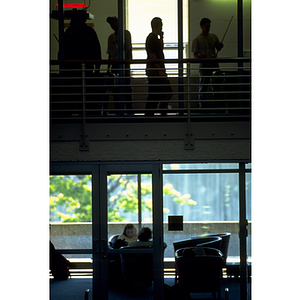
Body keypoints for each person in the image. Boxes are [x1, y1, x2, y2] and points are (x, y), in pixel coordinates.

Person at [191, 18, 224, 110]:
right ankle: (202, 108)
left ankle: (217, 108)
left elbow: (218, 48)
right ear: (201, 26)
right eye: (206, 26)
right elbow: (195, 55)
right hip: (204, 65)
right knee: (203, 87)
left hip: (214, 63)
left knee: (216, 87)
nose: (208, 28)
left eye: (209, 26)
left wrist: (220, 46)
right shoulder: (197, 39)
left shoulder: (213, 36)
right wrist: (203, 60)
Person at [145, 17, 172, 116]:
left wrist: (161, 38)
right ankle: (161, 109)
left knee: (154, 93)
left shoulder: (154, 38)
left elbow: (158, 50)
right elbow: (153, 55)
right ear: (159, 26)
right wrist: (160, 69)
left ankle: (150, 113)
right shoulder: (152, 38)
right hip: (155, 70)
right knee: (166, 91)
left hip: (154, 70)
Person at [106, 16, 133, 112]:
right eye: (111, 24)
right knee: (116, 91)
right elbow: (110, 54)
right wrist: (108, 69)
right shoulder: (111, 37)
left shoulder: (126, 34)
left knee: (127, 90)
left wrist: (127, 66)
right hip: (115, 66)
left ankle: (130, 112)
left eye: (114, 23)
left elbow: (128, 50)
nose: (112, 25)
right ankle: (119, 112)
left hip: (124, 65)